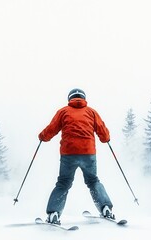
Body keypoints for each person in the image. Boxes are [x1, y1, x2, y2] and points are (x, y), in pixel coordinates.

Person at [38, 88, 114, 225]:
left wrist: (42, 137)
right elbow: (103, 131)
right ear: (84, 98)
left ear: (70, 98)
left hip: (69, 154)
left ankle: (54, 213)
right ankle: (105, 208)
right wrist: (106, 138)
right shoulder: (91, 112)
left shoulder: (63, 112)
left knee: (63, 183)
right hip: (88, 153)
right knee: (93, 181)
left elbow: (51, 128)